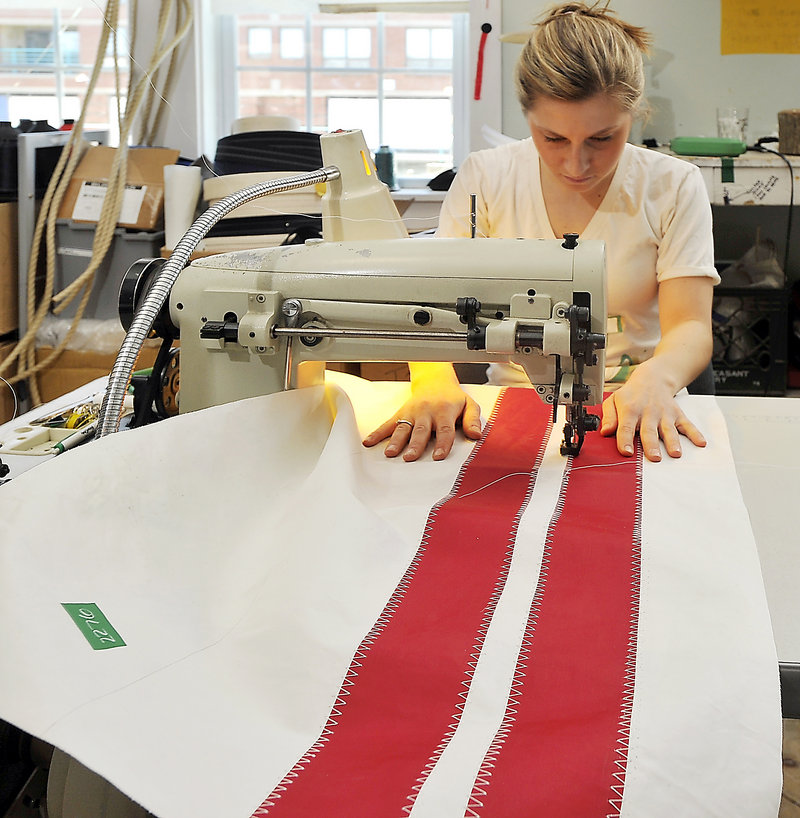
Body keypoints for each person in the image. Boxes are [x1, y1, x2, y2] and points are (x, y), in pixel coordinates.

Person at [363, 0, 718, 464]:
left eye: (601, 138)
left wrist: (657, 378)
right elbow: (431, 305)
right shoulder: (486, 180)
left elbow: (690, 324)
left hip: (644, 399)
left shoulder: (673, 185)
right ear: (528, 117)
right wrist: (432, 379)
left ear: (635, 114)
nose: (577, 164)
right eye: (553, 139)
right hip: (508, 401)